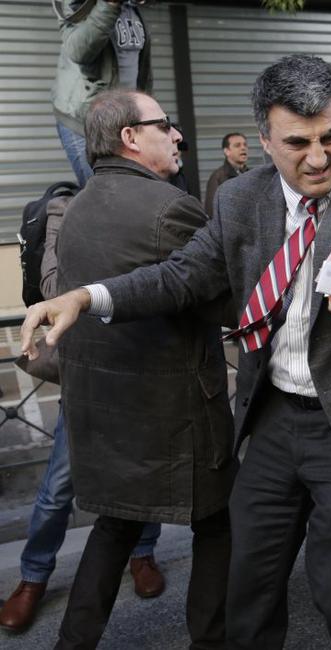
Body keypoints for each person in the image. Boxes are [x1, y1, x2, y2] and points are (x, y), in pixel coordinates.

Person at [21, 54, 331, 650]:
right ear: (264, 140)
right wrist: (87, 297)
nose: (318, 158)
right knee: (248, 588)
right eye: (297, 142)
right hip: (273, 416)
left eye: (330, 138)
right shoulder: (240, 199)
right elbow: (182, 275)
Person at [41, 88, 235, 648]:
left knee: (115, 526)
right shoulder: (172, 206)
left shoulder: (76, 206)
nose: (178, 136)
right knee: (218, 523)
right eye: (165, 125)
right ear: (130, 137)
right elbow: (216, 299)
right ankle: (211, 640)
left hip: (104, 411)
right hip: (176, 412)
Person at [0, 179, 165, 637]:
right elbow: (54, 285)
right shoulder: (64, 210)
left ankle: (143, 552)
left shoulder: (153, 201)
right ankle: (33, 577)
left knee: (140, 470)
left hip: (139, 363)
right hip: (88, 369)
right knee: (59, 483)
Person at [53, 0, 151, 187]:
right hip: (85, 120)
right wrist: (110, 4)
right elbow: (78, 50)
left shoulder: (131, 7)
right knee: (103, 194)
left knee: (132, 191)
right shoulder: (77, 3)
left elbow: (140, 69)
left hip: (124, 118)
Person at [204, 132, 249, 216]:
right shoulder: (218, 177)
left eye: (245, 145)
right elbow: (211, 210)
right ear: (227, 151)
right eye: (237, 145)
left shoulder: (251, 175)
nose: (243, 148)